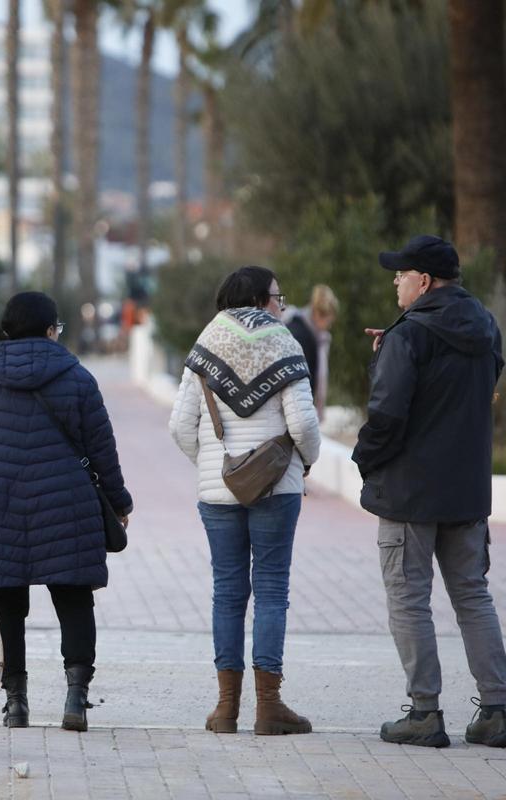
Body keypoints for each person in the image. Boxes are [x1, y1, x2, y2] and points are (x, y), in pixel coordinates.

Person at [0, 291, 133, 733]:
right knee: (74, 599)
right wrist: (119, 501)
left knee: (6, 603)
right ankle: (76, 697)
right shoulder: (78, 378)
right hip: (68, 504)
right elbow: (103, 449)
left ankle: (16, 703)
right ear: (49, 330)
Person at [353, 234, 506, 749]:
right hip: (466, 490)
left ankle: (424, 712)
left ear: (423, 281)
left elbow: (387, 415)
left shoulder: (410, 336)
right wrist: (395, 350)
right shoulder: (484, 326)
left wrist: (363, 460)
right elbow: (474, 381)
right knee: (472, 595)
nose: (395, 281)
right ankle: (495, 712)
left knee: (409, 599)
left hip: (410, 493)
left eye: (400, 274)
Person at [169, 266, 321, 736]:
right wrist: (305, 464)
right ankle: (269, 708)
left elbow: (179, 426)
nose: (281, 304)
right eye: (277, 295)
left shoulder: (205, 345)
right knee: (272, 590)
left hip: (218, 492)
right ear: (259, 299)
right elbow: (303, 426)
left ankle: (225, 709)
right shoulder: (284, 342)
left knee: (228, 594)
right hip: (277, 488)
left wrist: (213, 466)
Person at [284, 285, 339, 420]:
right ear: (319, 314)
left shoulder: (301, 329)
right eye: (329, 321)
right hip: (296, 414)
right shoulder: (303, 336)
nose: (329, 326)